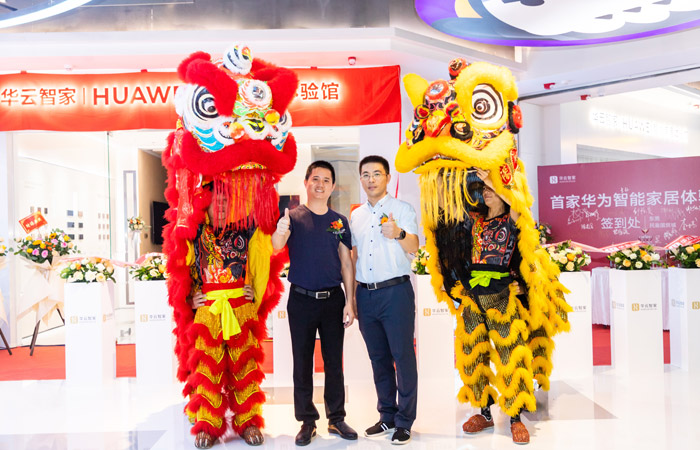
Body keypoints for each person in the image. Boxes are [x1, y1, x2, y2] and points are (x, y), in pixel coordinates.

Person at [272, 161, 358, 446]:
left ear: (332, 186)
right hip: (301, 300)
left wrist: (350, 301)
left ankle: (336, 418)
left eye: (326, 180)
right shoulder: (294, 217)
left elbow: (346, 263)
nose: (320, 184)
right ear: (306, 182)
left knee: (334, 362)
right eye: (315, 179)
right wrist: (281, 229)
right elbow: (276, 244)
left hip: (333, 300)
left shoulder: (339, 221)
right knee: (302, 362)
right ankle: (307, 421)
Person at [350, 155, 419, 445]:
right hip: (366, 294)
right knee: (378, 359)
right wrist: (353, 297)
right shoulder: (356, 216)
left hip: (395, 293)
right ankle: (387, 415)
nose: (371, 179)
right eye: (366, 174)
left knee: (403, 357)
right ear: (361, 179)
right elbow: (354, 256)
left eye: (377, 174)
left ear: (387, 178)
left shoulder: (402, 209)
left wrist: (399, 233)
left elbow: (414, 246)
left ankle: (405, 421)